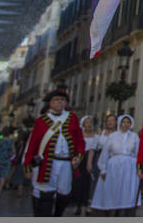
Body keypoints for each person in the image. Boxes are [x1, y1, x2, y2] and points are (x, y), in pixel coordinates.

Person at [22, 87, 85, 216]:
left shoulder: (72, 118)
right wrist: (28, 166)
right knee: (46, 195)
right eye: (56, 100)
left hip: (66, 163)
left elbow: (79, 140)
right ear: (50, 102)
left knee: (64, 194)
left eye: (62, 100)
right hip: (48, 163)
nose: (60, 102)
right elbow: (33, 144)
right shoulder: (41, 121)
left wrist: (78, 155)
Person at [91, 114, 140, 216]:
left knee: (126, 191)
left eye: (128, 122)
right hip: (114, 166)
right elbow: (105, 154)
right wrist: (103, 169)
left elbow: (137, 153)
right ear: (120, 123)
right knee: (113, 190)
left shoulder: (134, 136)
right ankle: (111, 212)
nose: (126, 124)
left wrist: (138, 168)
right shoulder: (112, 136)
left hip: (129, 167)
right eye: (124, 122)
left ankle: (124, 212)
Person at [69, 116, 96, 215]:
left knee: (88, 183)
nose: (89, 124)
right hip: (79, 159)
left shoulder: (95, 135)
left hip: (89, 160)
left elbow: (92, 149)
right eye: (87, 122)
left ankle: (87, 205)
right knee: (77, 182)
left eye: (90, 122)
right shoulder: (80, 135)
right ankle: (78, 205)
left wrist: (89, 163)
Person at [0, 126, 15, 199]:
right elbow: (14, 152)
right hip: (6, 160)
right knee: (3, 177)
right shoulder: (11, 141)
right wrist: (9, 156)